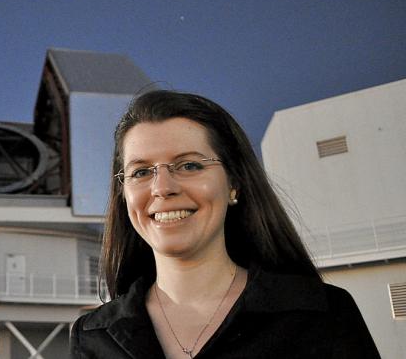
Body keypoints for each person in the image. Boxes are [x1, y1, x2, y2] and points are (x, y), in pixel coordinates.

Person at [69, 90, 380, 358]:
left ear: (234, 183)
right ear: (122, 193)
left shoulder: (321, 315)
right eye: (141, 172)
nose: (162, 187)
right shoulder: (93, 336)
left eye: (189, 165)